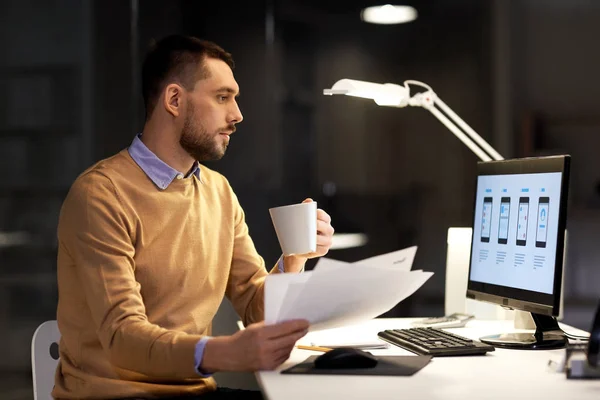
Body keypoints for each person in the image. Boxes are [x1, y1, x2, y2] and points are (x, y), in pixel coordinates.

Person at [53, 34, 335, 400]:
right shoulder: (100, 194)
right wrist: (225, 351)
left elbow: (255, 307)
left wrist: (295, 257)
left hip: (195, 391)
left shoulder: (218, 191)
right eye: (222, 97)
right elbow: (122, 336)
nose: (237, 115)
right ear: (174, 99)